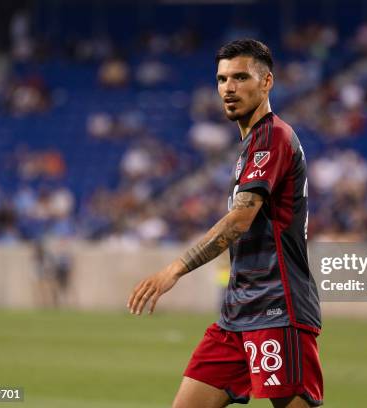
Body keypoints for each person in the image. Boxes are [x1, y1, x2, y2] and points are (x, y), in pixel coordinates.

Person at [127, 39, 323, 407]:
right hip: (237, 313)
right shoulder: (250, 147)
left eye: (240, 77)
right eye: (221, 79)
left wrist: (174, 269)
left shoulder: (272, 136)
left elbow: (240, 220)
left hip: (277, 309)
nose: (228, 89)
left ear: (267, 83)